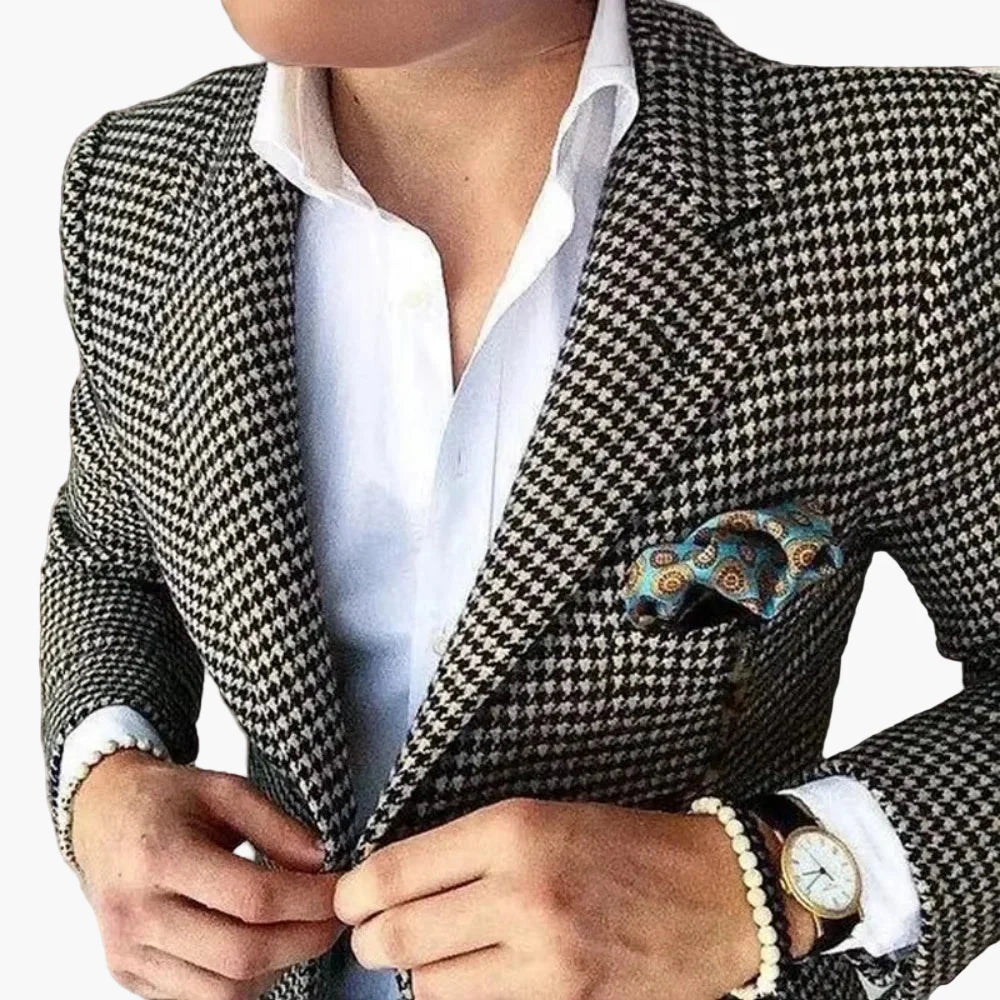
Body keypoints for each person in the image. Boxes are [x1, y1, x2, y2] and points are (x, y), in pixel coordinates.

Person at [38, 0, 998, 998]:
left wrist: (770, 882)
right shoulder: (135, 187)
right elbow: (112, 553)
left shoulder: (914, 195)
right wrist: (110, 775)